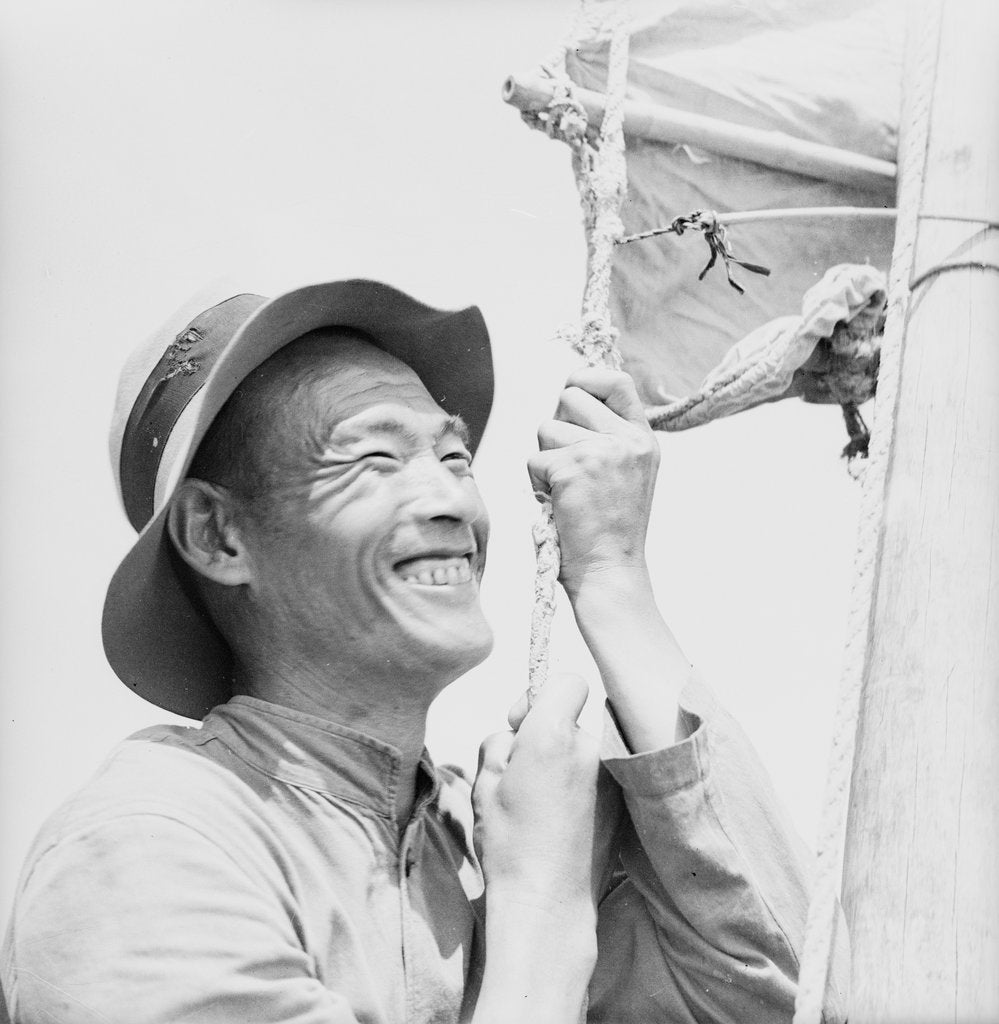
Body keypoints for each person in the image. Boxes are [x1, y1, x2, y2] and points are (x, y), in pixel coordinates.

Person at [1, 279, 847, 1023]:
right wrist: (543, 905)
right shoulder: (149, 847)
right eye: (374, 459)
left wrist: (614, 584)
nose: (451, 497)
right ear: (218, 535)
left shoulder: (484, 839)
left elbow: (794, 994)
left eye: (453, 455)